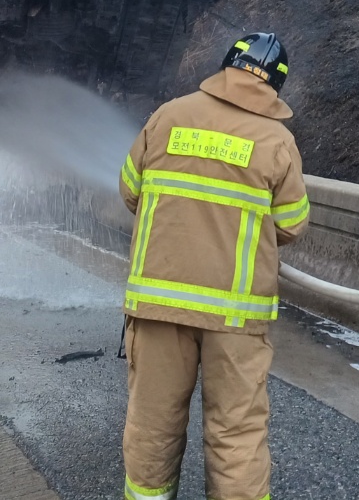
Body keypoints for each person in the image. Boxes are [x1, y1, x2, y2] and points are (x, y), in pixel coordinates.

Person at [119, 32, 310, 500]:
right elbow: (291, 224)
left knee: (152, 423)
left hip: (159, 304)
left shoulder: (168, 116)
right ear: (277, 85)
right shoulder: (277, 140)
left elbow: (129, 191)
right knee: (236, 434)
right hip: (235, 316)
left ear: (226, 65)